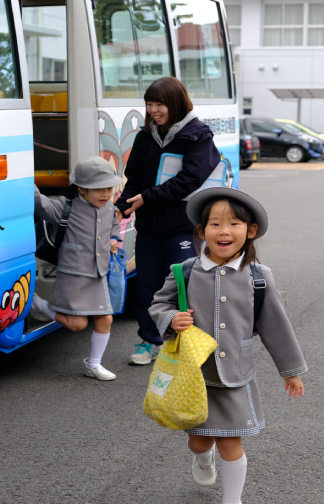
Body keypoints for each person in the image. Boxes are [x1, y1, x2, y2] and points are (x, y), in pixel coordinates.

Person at [149, 187, 307, 504]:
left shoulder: (259, 277)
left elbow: (276, 325)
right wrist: (170, 319)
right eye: (215, 224)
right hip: (195, 377)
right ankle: (202, 456)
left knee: (231, 442)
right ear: (201, 231)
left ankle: (232, 500)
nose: (224, 231)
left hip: (235, 374)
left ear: (250, 232)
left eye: (234, 224)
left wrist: (291, 371)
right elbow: (159, 305)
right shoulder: (185, 271)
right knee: (199, 441)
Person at [115, 76, 221, 366]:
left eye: (159, 104)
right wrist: (123, 205)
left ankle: (189, 343)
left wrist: (147, 197)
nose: (153, 111)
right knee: (147, 285)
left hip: (182, 225)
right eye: (149, 104)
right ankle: (150, 340)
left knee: (185, 284)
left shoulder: (198, 136)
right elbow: (134, 177)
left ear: (175, 103)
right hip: (148, 225)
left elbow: (189, 180)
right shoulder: (145, 136)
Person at [32, 157, 123, 381]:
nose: (105, 194)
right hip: (72, 276)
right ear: (81, 189)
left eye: (109, 188)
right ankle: (40, 304)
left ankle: (94, 364)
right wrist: (22, 170)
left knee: (105, 319)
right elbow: (37, 201)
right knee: (76, 324)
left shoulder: (109, 206)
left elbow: (113, 228)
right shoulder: (65, 207)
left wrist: (113, 240)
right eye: (98, 189)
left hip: (99, 273)